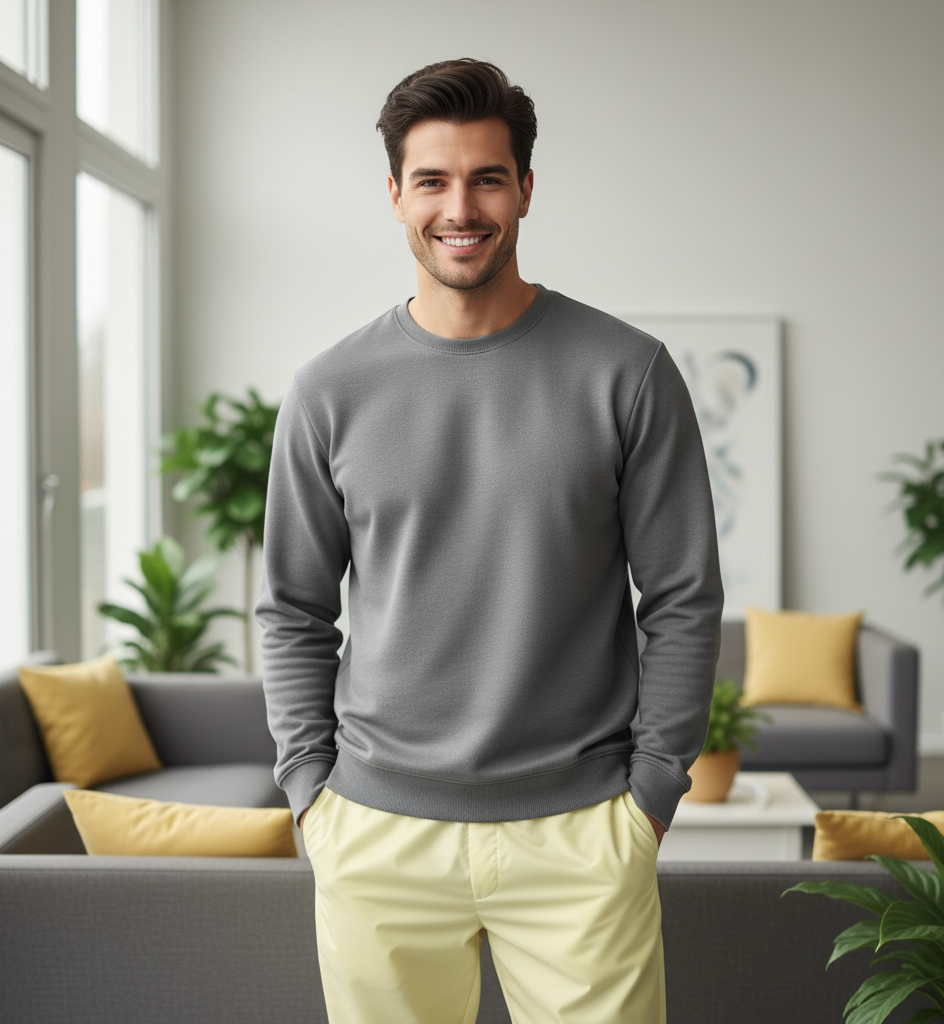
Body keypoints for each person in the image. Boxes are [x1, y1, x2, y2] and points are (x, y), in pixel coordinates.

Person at [255, 57, 724, 1024]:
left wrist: (651, 795)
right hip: (375, 833)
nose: (459, 208)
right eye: (431, 180)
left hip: (583, 834)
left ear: (526, 189)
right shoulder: (327, 392)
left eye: (487, 178)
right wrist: (312, 792)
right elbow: (293, 607)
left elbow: (683, 596)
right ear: (395, 195)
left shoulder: (628, 373)